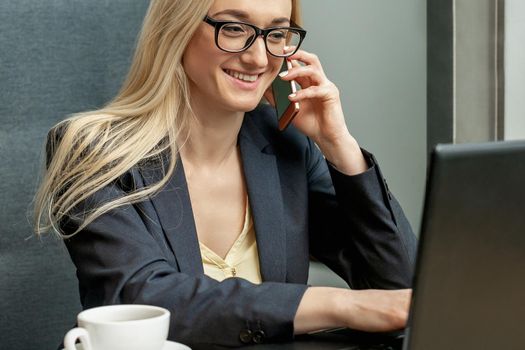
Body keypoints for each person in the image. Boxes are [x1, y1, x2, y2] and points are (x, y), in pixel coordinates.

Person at [34, 0, 417, 347]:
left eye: (277, 34)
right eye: (234, 28)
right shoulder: (93, 150)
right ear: (177, 29)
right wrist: (337, 303)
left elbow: (400, 288)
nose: (258, 58)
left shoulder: (288, 147)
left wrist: (339, 146)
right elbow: (143, 300)